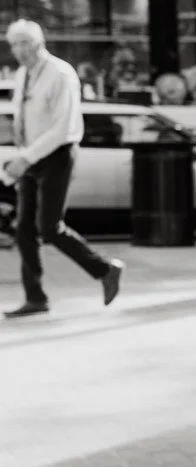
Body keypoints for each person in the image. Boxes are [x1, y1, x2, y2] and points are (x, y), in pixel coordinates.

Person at [4, 20, 123, 318]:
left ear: (38, 43)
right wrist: (23, 157)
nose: (18, 50)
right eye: (14, 44)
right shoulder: (22, 74)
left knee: (49, 227)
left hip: (57, 154)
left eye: (23, 44)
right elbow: (22, 116)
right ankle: (36, 297)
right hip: (31, 156)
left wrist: (26, 158)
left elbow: (63, 128)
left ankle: (105, 269)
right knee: (23, 229)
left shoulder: (61, 73)